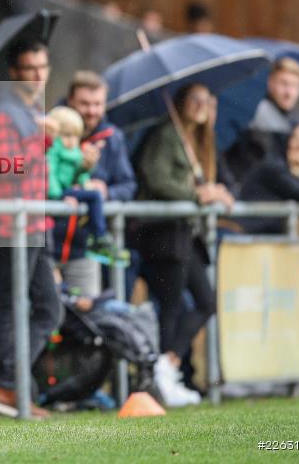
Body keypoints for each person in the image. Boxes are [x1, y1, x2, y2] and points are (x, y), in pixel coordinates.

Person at [0, 40, 63, 418]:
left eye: (43, 67)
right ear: (15, 72)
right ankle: (1, 389)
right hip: (11, 227)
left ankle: (6, 386)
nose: (38, 75)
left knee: (46, 308)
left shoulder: (27, 112)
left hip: (34, 224)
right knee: (10, 310)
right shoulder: (2, 113)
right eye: (30, 67)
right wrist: (41, 141)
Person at [133, 83, 233, 408]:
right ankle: (162, 375)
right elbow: (155, 176)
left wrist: (214, 191)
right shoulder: (166, 134)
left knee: (205, 302)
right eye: (194, 99)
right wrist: (196, 195)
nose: (201, 106)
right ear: (181, 102)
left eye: (207, 100)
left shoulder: (198, 140)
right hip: (163, 234)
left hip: (184, 236)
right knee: (171, 306)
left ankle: (167, 365)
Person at [58, 70, 138, 295]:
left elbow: (128, 186)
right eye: (84, 103)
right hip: (46, 243)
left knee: (86, 314)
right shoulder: (51, 129)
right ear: (71, 99)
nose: (91, 111)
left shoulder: (112, 138)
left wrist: (105, 192)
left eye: (97, 104)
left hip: (83, 248)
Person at [45, 105, 123, 265]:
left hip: (68, 199)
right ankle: (99, 236)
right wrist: (56, 196)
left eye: (75, 136)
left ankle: (99, 237)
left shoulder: (75, 153)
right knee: (94, 196)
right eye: (66, 135)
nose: (71, 141)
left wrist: (85, 173)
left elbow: (76, 176)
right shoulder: (52, 151)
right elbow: (50, 174)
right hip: (58, 195)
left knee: (94, 194)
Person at [225, 58, 299, 184]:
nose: (289, 92)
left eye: (295, 86)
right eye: (284, 84)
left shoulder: (292, 120)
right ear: (271, 83)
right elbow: (274, 172)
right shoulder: (260, 116)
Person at [238, 123, 299, 234]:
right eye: (295, 137)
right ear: (286, 139)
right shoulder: (273, 166)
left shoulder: (286, 169)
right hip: (247, 237)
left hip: (264, 237)